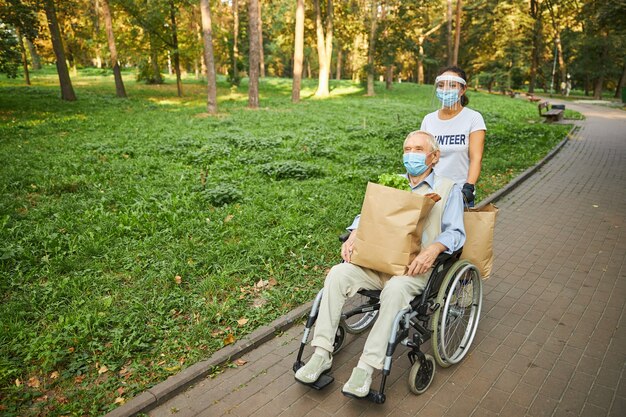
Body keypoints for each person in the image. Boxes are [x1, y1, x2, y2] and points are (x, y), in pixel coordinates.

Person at [294, 130, 465, 398]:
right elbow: (366, 216)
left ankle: (365, 368)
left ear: (434, 156)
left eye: (418, 149)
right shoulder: (392, 184)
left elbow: (456, 233)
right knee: (338, 274)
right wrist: (353, 235)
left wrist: (433, 249)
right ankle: (321, 353)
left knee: (395, 292)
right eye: (407, 149)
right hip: (377, 263)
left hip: (412, 270)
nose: (412, 154)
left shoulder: (447, 189)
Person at [420, 66, 486, 207]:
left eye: (452, 85)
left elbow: (476, 158)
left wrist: (469, 187)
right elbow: (424, 157)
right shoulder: (428, 120)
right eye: (441, 85)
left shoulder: (473, 118)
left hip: (459, 193)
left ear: (462, 90)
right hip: (432, 193)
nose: (445, 90)